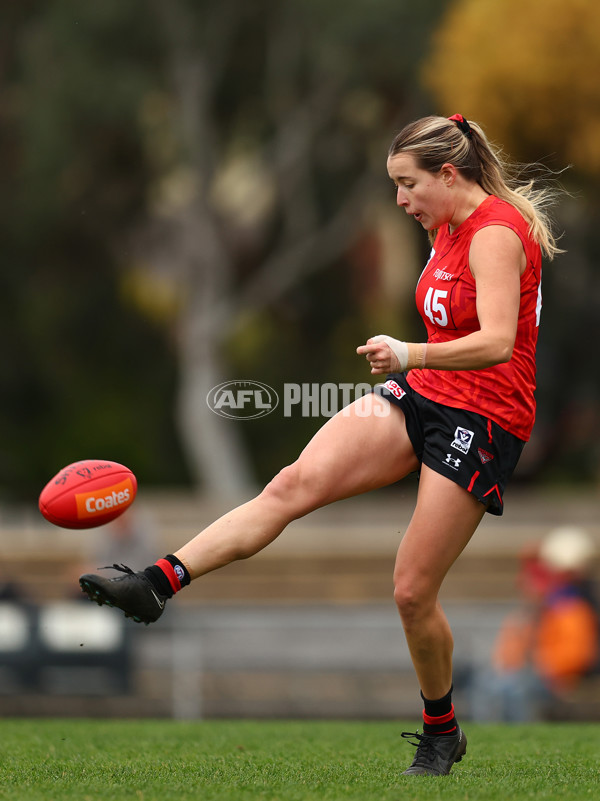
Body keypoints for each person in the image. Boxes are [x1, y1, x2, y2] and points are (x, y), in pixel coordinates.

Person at [79, 113, 563, 776]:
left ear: (449, 174)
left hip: (483, 421)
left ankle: (441, 729)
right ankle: (155, 581)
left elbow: (499, 342)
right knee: (289, 484)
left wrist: (408, 350)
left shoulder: (497, 234)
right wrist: (413, 364)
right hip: (426, 394)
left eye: (407, 184)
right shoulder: (444, 224)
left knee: (412, 590)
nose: (400, 200)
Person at [472, 527, 599, 722]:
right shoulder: (525, 616)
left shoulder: (570, 610)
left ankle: (520, 737)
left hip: (555, 678)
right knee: (488, 683)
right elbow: (507, 656)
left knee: (516, 688)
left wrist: (541, 666)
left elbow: (576, 655)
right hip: (528, 675)